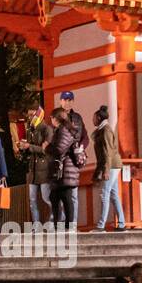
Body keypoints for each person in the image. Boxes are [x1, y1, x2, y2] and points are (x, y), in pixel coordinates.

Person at [47, 107, 82, 226]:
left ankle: (68, 225)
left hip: (66, 169)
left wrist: (47, 147)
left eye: (51, 117)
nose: (50, 120)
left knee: (65, 198)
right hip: (63, 170)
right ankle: (61, 225)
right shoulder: (62, 129)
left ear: (56, 118)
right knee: (56, 197)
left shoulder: (63, 130)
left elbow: (59, 149)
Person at [17, 107, 52, 224]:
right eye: (29, 115)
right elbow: (29, 147)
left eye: (32, 115)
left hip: (44, 169)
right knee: (32, 199)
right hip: (32, 169)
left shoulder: (47, 129)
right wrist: (22, 147)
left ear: (39, 115)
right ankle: (36, 224)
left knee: (46, 197)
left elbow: (45, 150)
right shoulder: (30, 129)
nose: (30, 118)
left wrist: (29, 146)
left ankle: (55, 219)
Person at [92, 105, 125, 231]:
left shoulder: (105, 130)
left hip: (112, 165)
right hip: (111, 164)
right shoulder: (102, 130)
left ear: (99, 118)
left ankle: (101, 225)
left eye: (94, 118)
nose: (93, 120)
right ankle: (121, 223)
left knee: (104, 194)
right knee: (113, 194)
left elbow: (107, 152)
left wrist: (106, 170)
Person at [57, 92, 87, 225]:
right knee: (59, 193)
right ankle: (63, 220)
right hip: (60, 160)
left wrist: (81, 147)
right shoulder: (56, 116)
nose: (67, 102)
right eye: (65, 100)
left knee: (73, 194)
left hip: (74, 160)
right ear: (60, 101)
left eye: (70, 100)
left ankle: (73, 223)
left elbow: (85, 137)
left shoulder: (77, 117)